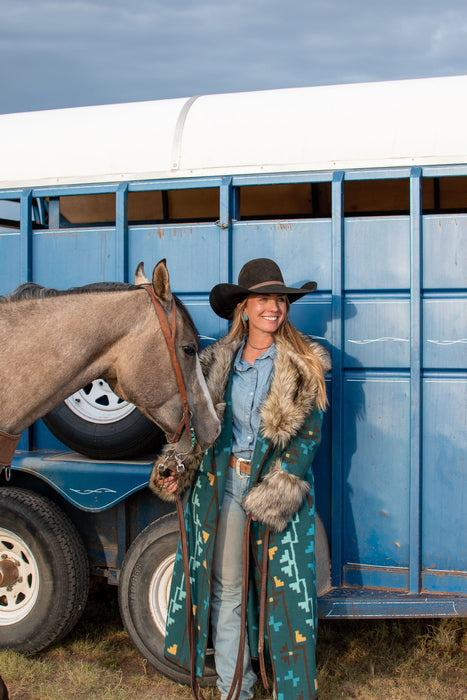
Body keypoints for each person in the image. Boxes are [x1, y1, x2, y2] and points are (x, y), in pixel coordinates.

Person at [150, 258, 331, 700]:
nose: (274, 307)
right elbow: (195, 431)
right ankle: (237, 691)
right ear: (244, 308)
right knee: (228, 591)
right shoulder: (214, 363)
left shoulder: (304, 365)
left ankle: (292, 692)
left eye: (281, 300)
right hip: (223, 486)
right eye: (264, 299)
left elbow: (307, 441)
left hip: (275, 492)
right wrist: (176, 466)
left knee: (288, 601)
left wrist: (272, 494)